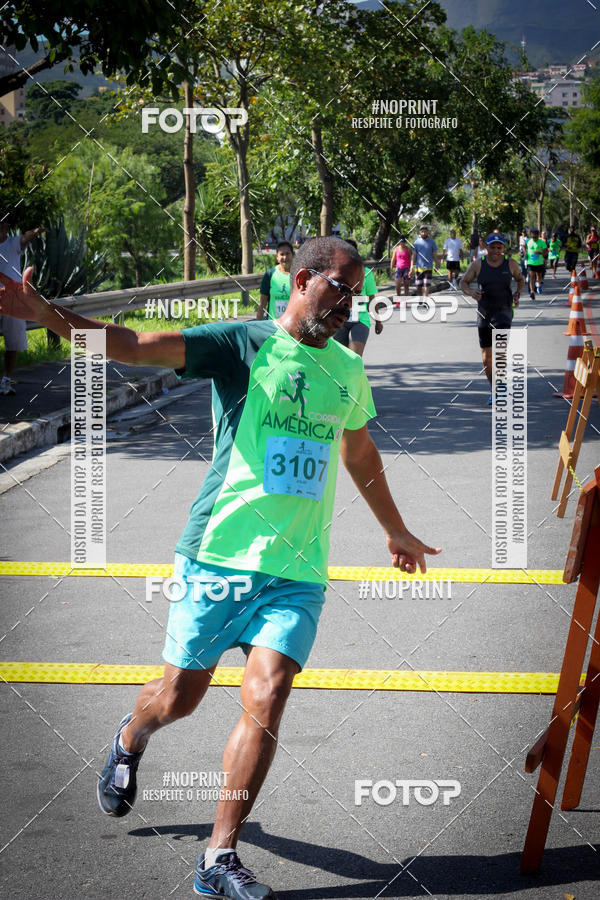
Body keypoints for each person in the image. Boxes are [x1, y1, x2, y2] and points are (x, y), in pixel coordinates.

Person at [0, 236, 440, 900]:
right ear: (302, 280)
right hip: (217, 556)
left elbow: (359, 452)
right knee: (179, 698)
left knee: (268, 695)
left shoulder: (347, 368)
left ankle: (219, 856)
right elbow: (133, 344)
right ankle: (131, 736)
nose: (350, 303)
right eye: (340, 287)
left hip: (297, 570)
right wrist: (50, 317)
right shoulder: (242, 344)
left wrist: (395, 529)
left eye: (358, 293)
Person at [459, 234, 524, 405]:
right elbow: (463, 282)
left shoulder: (511, 264)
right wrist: (471, 292)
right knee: (486, 357)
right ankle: (494, 388)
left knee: (500, 352)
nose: (496, 250)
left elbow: (520, 279)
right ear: (486, 247)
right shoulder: (478, 264)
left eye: (499, 247)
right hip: (484, 314)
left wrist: (517, 293)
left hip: (504, 313)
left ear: (503, 248)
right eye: (492, 247)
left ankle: (500, 388)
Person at [0, 216, 45, 395]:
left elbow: (25, 238)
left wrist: (36, 231)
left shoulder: (13, 244)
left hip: (13, 301)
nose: (2, 228)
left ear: (6, 227)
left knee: (13, 342)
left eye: (3, 225)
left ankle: (6, 380)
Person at [334, 239, 382, 357]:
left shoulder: (366, 273)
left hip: (360, 320)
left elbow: (372, 299)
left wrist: (378, 321)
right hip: (339, 320)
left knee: (354, 358)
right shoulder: (335, 273)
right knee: (340, 359)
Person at [256, 241, 294, 320]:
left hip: (292, 324)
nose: (285, 257)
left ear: (293, 255)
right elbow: (263, 302)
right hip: (273, 324)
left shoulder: (298, 274)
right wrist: (257, 322)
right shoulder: (270, 274)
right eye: (282, 254)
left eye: (287, 254)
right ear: (277, 256)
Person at [408, 225, 438, 304]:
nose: (423, 233)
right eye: (422, 231)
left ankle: (425, 301)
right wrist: (411, 266)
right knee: (419, 286)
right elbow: (414, 255)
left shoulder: (432, 242)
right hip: (419, 268)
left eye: (425, 231)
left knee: (426, 285)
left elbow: (434, 254)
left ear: (427, 232)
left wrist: (437, 263)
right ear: (420, 232)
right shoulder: (416, 242)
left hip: (428, 267)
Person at [526, 227, 547, 298]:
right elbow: (524, 247)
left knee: (539, 276)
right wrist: (524, 254)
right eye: (533, 236)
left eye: (536, 236)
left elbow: (545, 252)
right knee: (531, 277)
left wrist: (540, 252)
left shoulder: (542, 242)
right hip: (530, 263)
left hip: (539, 263)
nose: (534, 237)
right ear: (531, 235)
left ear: (538, 235)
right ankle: (532, 291)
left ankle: (538, 285)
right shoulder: (528, 242)